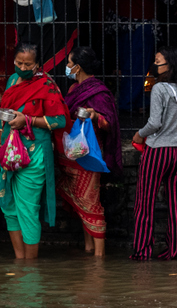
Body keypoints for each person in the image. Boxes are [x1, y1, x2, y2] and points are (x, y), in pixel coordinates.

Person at [130, 47, 177, 261]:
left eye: (158, 61)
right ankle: (175, 251)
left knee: (145, 203)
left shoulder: (159, 88)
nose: (155, 64)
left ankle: (143, 252)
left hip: (157, 153)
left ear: (169, 64)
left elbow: (154, 122)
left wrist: (138, 134)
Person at [0, 40, 67, 259]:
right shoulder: (11, 80)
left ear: (38, 65)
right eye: (19, 63)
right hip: (10, 151)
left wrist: (28, 120)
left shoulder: (47, 85)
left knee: (28, 210)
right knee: (8, 206)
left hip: (34, 153)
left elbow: (60, 120)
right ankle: (21, 262)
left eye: (29, 65)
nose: (24, 68)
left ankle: (30, 268)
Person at [59, 45, 121, 256]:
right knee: (80, 202)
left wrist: (96, 117)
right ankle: (88, 248)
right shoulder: (73, 89)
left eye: (69, 63)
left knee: (90, 201)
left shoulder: (99, 91)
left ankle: (99, 257)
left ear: (78, 67)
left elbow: (110, 123)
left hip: (89, 155)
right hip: (72, 152)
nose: (66, 67)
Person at [105, 0, 173, 112]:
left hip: (119, 21)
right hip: (142, 20)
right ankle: (129, 103)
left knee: (126, 65)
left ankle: (132, 101)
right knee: (140, 66)